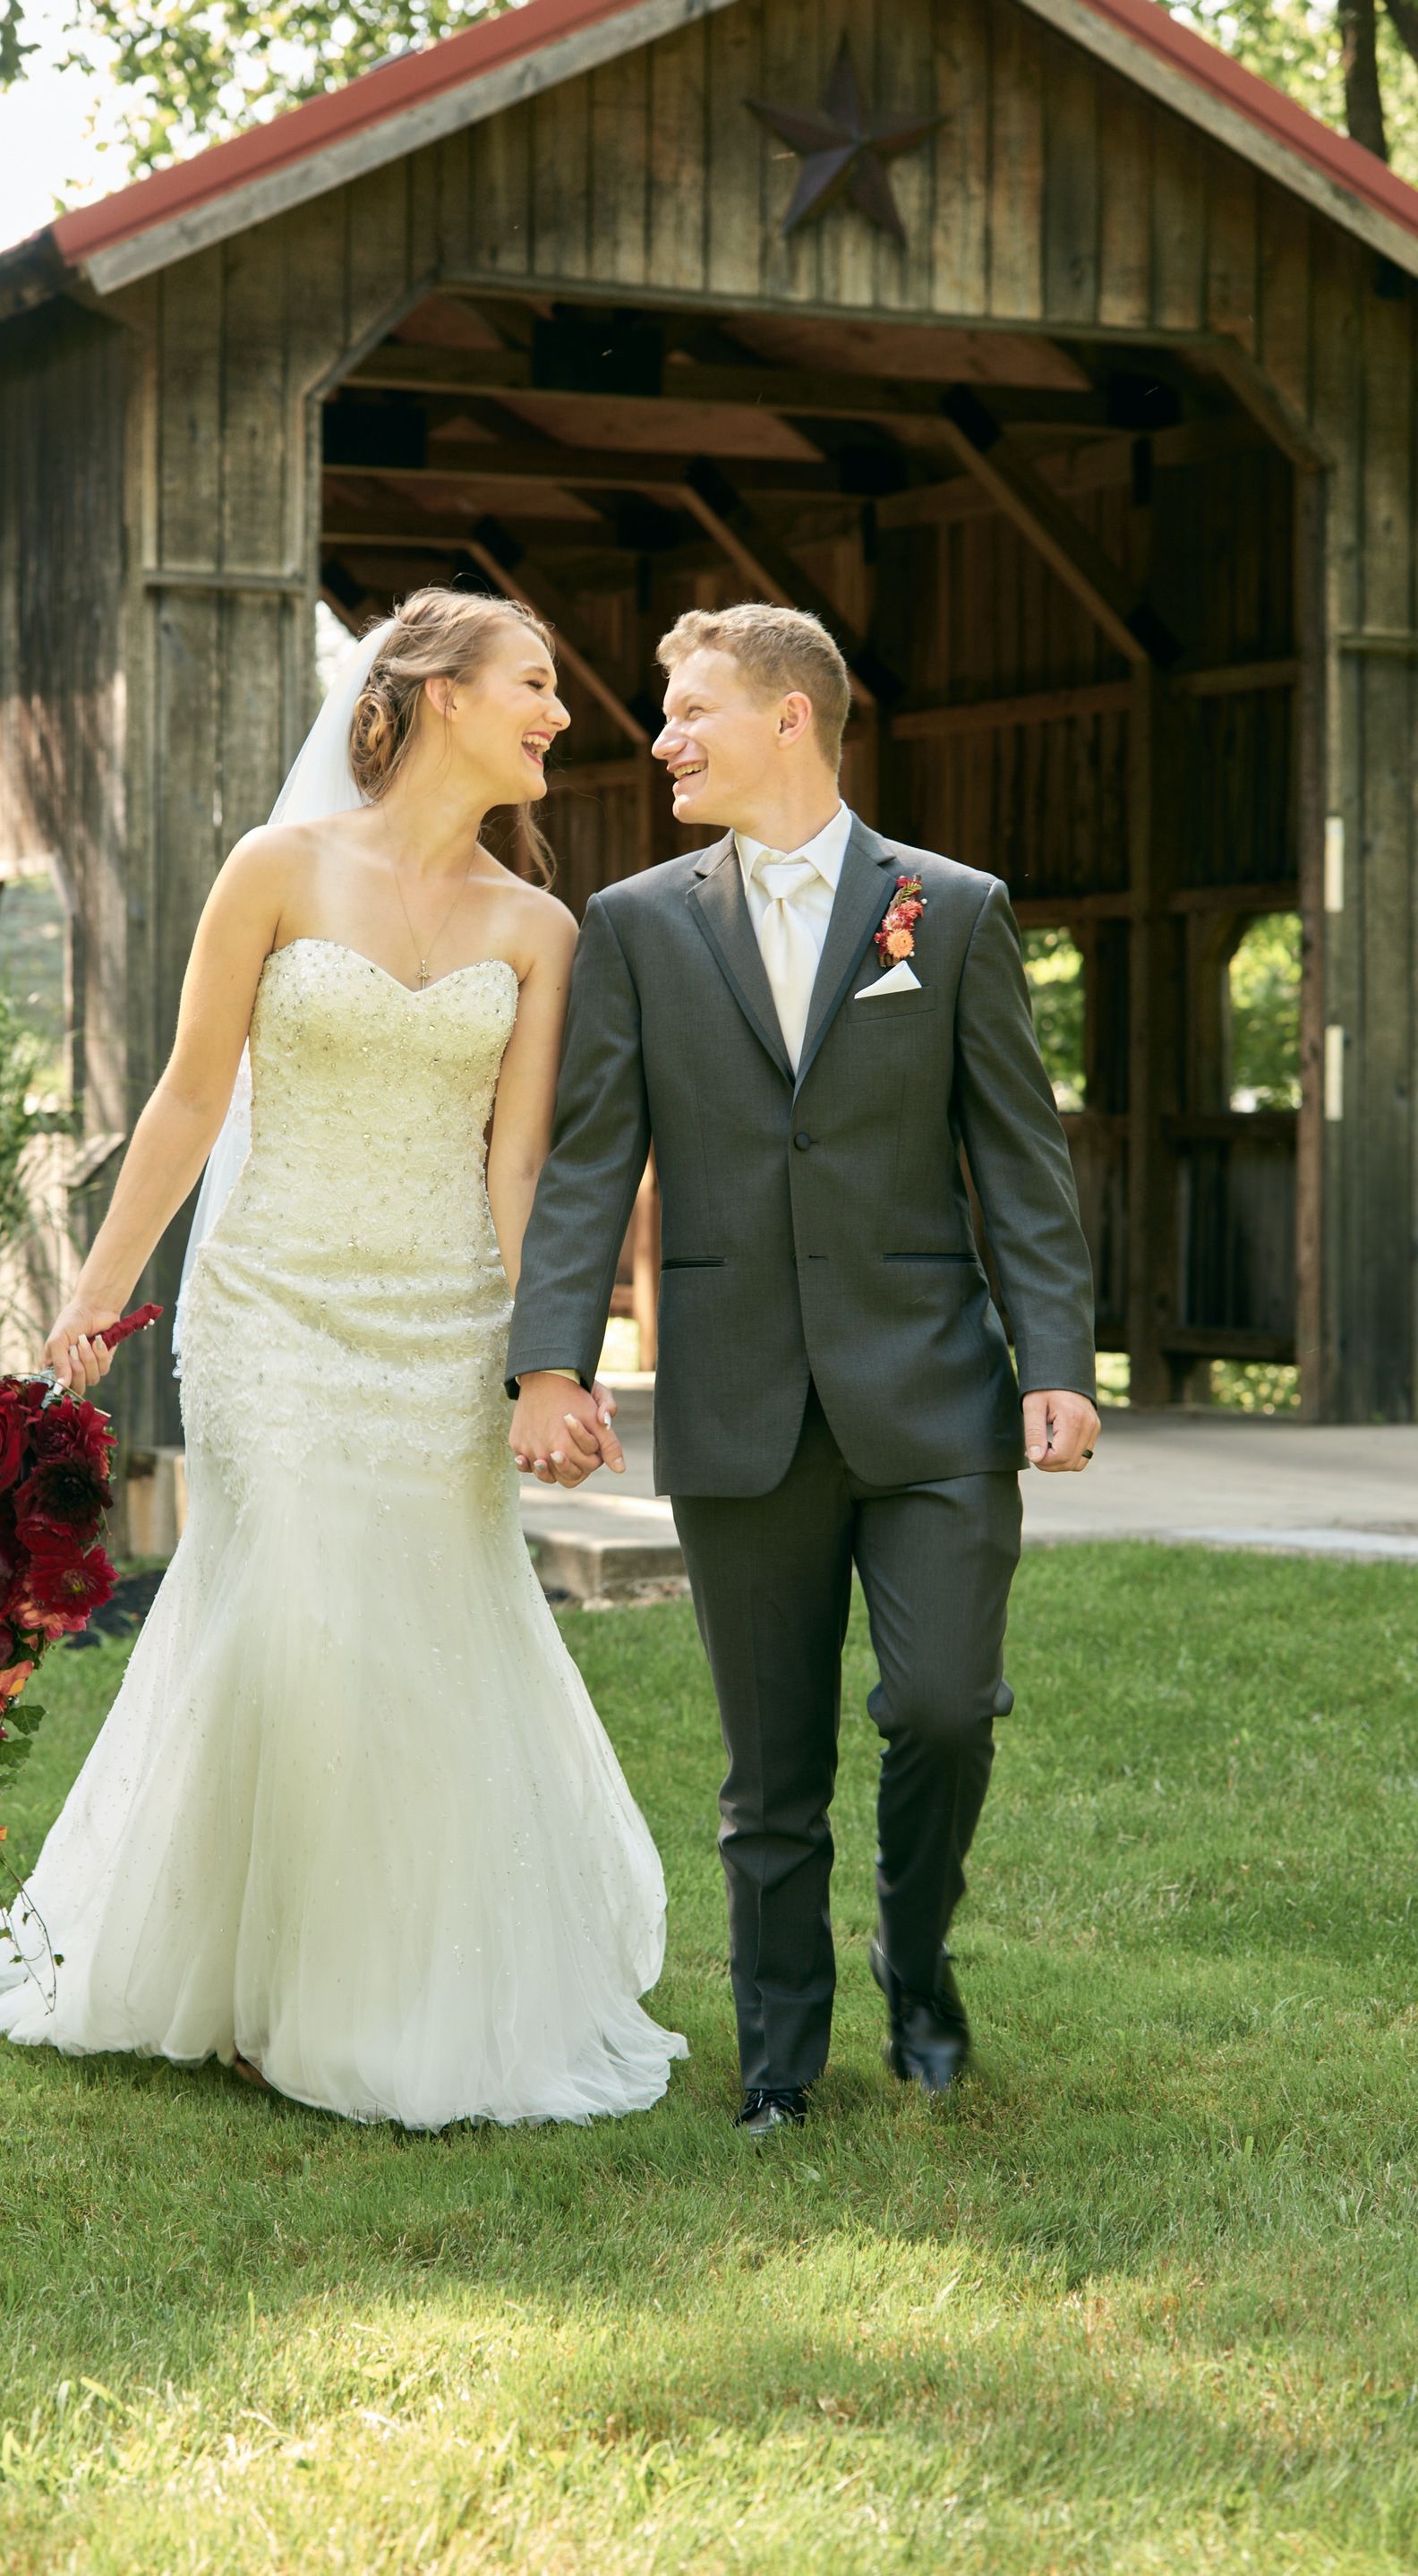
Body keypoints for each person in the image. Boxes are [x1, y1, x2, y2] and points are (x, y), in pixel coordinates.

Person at [0, 588, 687, 2130]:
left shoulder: (539, 928)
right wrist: (94, 1307)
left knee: (419, 1638)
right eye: (533, 683)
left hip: (441, 1323)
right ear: (438, 692)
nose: (560, 714)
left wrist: (539, 1366)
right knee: (304, 1616)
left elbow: (521, 1168)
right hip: (275, 1316)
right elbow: (186, 1104)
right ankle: (265, 1995)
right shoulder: (275, 870)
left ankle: (384, 1982)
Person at [507, 603, 1098, 2136]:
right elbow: (590, 1161)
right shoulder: (636, 924)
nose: (663, 739)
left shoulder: (950, 909)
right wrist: (549, 1360)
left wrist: (1057, 1358)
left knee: (945, 1704)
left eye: (691, 709)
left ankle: (918, 1962)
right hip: (737, 1395)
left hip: (933, 1392)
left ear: (790, 720)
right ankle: (779, 2058)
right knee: (769, 1774)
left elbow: (1019, 1160)